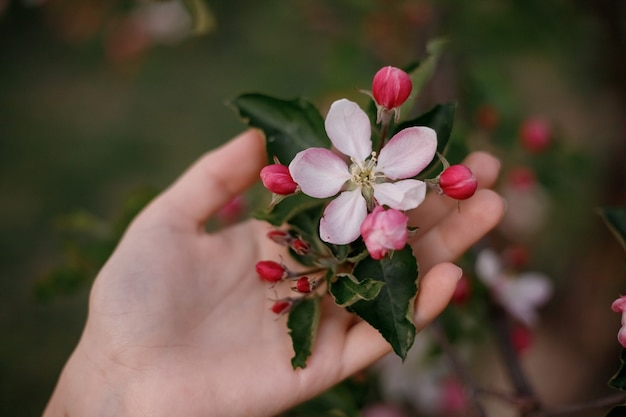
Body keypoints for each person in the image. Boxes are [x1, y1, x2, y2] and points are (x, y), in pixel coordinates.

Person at [42, 129, 505, 417]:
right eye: (361, 168)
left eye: (365, 170)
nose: (363, 173)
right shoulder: (337, 206)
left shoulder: (395, 191)